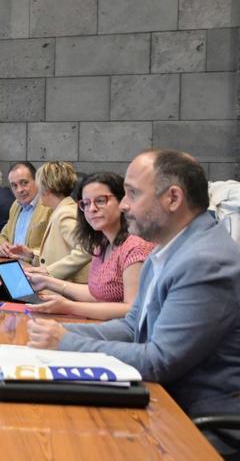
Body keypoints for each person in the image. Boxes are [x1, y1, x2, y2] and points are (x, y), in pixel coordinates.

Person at [27, 150, 240, 418]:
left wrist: (66, 341)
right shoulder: (167, 249)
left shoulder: (205, 261)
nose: (124, 204)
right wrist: (57, 330)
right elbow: (133, 324)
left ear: (173, 198)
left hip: (192, 421)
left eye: (133, 193)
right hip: (160, 400)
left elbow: (161, 360)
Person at [25, 172, 154, 320]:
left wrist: (69, 306)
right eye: (85, 203)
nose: (91, 209)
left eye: (100, 200)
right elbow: (97, 294)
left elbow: (132, 309)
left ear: (122, 201)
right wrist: (47, 282)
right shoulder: (102, 244)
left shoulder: (135, 246)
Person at [5, 161, 91, 282]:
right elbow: (59, 254)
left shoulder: (65, 213)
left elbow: (87, 249)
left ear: (46, 189)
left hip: (68, 290)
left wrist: (49, 271)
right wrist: (31, 255)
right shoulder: (60, 210)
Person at [0, 161, 52, 256]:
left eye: (24, 183)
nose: (19, 190)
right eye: (14, 185)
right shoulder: (16, 205)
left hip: (35, 267)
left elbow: (54, 248)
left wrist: (31, 254)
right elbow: (3, 235)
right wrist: (0, 245)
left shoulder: (48, 207)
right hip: (14, 264)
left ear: (37, 181)